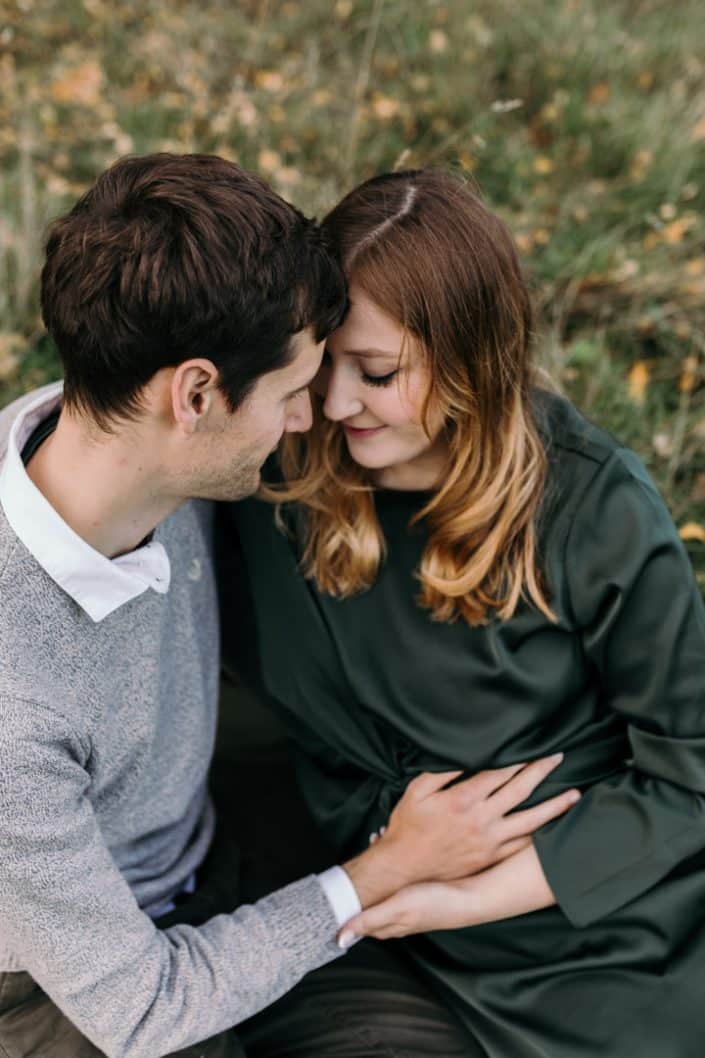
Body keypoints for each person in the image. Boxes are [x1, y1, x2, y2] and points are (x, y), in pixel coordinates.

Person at [0, 154, 575, 1058]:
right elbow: (144, 1008)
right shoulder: (14, 713)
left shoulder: (106, 443)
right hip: (72, 989)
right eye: (289, 393)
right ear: (194, 395)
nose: (309, 420)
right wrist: (385, 870)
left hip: (214, 854)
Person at [222, 168, 705, 1058]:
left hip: (586, 942)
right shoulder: (276, 475)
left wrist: (460, 893)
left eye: (376, 373)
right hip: (368, 923)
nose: (332, 405)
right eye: (323, 363)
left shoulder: (591, 509)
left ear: (472, 357)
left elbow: (690, 771)